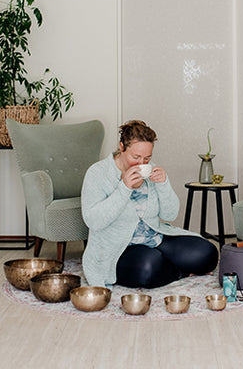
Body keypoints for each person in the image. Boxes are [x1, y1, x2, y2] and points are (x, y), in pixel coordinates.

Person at [81, 120, 219, 288]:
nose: (142, 164)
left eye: (147, 158)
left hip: (155, 238)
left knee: (208, 253)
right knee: (148, 267)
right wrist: (124, 188)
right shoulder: (98, 173)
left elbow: (170, 215)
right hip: (119, 248)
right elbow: (93, 221)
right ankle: (180, 271)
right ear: (122, 147)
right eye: (136, 157)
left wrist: (164, 184)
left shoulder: (151, 170)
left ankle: (166, 267)